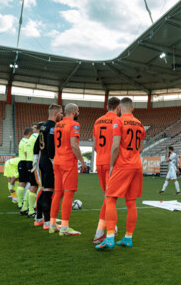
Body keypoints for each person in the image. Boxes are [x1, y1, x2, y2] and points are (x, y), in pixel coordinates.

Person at [96, 97, 145, 250]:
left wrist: (111, 165)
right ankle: (128, 238)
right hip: (136, 165)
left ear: (120, 108)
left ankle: (109, 237)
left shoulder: (118, 121)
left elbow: (115, 146)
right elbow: (141, 148)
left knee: (110, 198)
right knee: (131, 203)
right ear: (133, 108)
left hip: (122, 165)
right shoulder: (140, 124)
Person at [49, 103, 87, 236]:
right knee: (68, 194)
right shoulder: (74, 124)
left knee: (57, 193)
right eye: (78, 110)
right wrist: (82, 161)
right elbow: (74, 145)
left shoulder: (58, 124)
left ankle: (52, 225)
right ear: (74, 111)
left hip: (58, 161)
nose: (78, 112)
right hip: (68, 162)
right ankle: (64, 227)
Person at [92, 96, 121, 244]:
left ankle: (112, 226)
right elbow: (117, 145)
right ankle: (100, 233)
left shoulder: (97, 121)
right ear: (119, 107)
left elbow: (95, 146)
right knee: (110, 199)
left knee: (106, 196)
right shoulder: (118, 121)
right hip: (112, 163)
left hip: (100, 162)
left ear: (107, 106)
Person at [34, 104, 63, 229]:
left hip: (42, 159)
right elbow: (51, 144)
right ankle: (47, 222)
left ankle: (38, 218)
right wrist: (52, 159)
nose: (62, 115)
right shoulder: (53, 126)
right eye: (61, 113)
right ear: (55, 113)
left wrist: (36, 157)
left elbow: (37, 143)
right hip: (48, 160)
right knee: (48, 191)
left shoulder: (43, 126)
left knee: (44, 189)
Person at [16, 128, 32, 213]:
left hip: (22, 162)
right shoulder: (26, 142)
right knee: (26, 182)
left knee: (22, 182)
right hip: (25, 162)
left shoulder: (22, 140)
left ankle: (20, 202)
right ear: (29, 133)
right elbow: (26, 152)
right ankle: (23, 202)